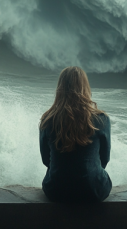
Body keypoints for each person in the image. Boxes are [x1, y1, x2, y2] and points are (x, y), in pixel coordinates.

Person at [39, 66, 112, 203]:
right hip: (93, 190)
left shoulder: (47, 120)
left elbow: (45, 160)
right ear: (85, 87)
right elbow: (104, 159)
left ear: (60, 88)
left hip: (56, 191)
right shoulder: (101, 119)